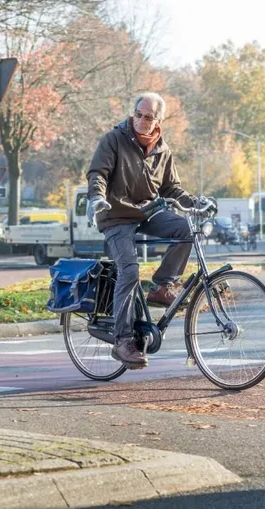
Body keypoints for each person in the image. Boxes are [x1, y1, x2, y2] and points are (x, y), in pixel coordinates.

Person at [87, 92, 213, 368]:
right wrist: (97, 197)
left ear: (158, 120)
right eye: (139, 115)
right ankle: (123, 340)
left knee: (186, 228)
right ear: (133, 114)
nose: (143, 121)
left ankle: (163, 286)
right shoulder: (114, 140)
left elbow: (171, 189)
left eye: (149, 117)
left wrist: (195, 203)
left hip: (148, 211)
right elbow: (98, 173)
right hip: (116, 214)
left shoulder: (162, 149)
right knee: (129, 270)